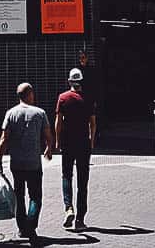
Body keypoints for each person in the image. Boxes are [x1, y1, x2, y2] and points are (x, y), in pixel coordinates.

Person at [0, 82, 53, 242]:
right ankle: (31, 225)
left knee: (19, 196)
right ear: (30, 94)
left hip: (17, 163)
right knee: (35, 197)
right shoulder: (40, 113)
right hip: (34, 163)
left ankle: (22, 229)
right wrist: (49, 148)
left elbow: (4, 139)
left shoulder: (11, 113)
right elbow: (48, 135)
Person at [55, 68, 96, 232]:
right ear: (81, 81)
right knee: (83, 180)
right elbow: (93, 123)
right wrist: (91, 141)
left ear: (69, 81)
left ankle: (68, 207)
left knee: (66, 175)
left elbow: (58, 121)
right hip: (83, 143)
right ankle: (80, 219)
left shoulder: (63, 98)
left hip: (67, 142)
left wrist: (57, 141)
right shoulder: (89, 98)